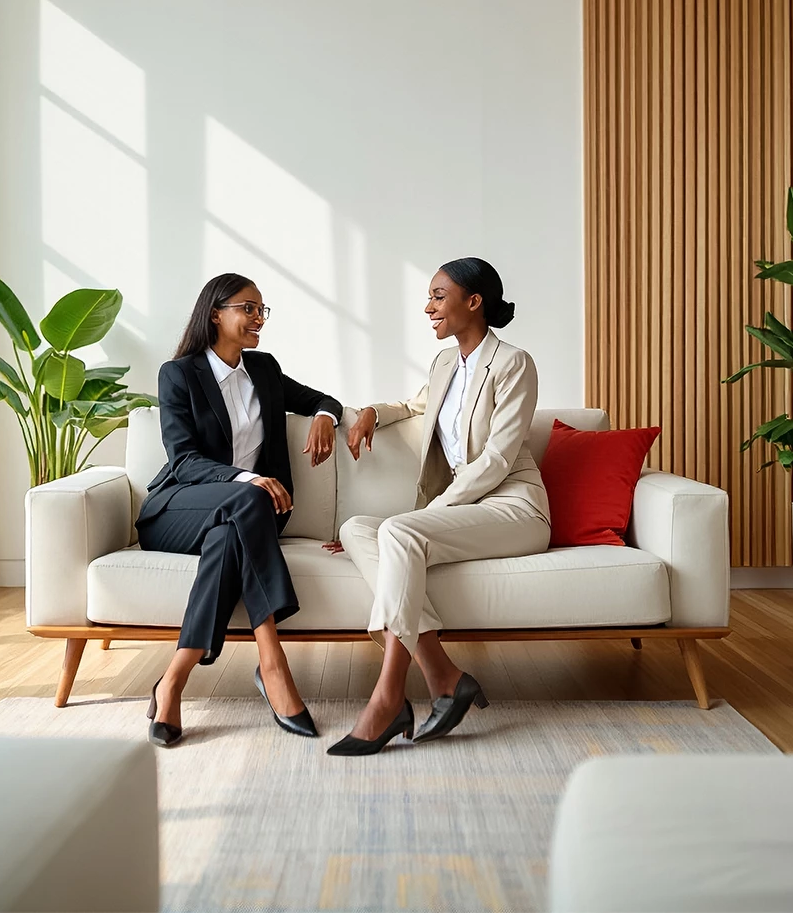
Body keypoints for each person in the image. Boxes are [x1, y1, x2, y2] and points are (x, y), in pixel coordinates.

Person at [328, 257, 550, 756]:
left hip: (514, 508)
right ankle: (444, 676)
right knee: (359, 528)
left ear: (474, 302)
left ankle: (388, 696)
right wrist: (368, 412)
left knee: (400, 532)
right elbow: (414, 406)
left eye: (437, 295)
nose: (427, 307)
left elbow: (497, 458)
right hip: (468, 509)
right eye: (429, 296)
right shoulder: (447, 363)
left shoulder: (513, 363)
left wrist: (432, 513)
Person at [137, 272, 342, 747]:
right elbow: (184, 461)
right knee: (248, 499)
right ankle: (272, 663)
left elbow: (322, 400)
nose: (258, 320)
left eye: (261, 311)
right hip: (179, 509)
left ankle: (173, 680)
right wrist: (249, 479)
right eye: (247, 309)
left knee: (232, 534)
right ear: (215, 313)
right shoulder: (179, 374)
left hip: (244, 517)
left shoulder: (264, 371)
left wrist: (326, 419)